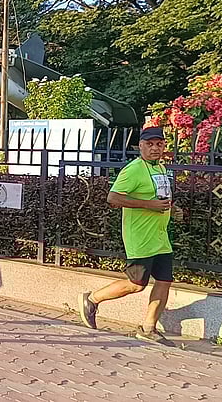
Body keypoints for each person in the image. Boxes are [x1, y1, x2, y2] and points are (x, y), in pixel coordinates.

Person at [79, 126, 182, 344]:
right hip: (140, 237)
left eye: (159, 144)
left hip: (160, 237)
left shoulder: (161, 167)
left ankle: (148, 327)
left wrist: (172, 209)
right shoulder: (133, 169)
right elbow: (113, 197)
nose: (155, 148)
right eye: (150, 144)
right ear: (140, 146)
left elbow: (160, 197)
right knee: (136, 284)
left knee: (164, 281)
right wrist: (149, 205)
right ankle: (92, 299)